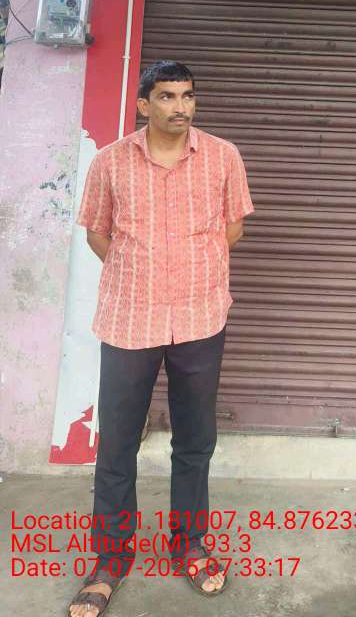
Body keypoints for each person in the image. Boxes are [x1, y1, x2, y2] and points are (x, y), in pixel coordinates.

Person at [66, 60, 254, 617]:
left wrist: (189, 270)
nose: (180, 107)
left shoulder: (223, 156)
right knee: (117, 443)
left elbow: (233, 228)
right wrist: (141, 272)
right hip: (131, 318)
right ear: (143, 104)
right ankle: (109, 560)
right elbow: (98, 232)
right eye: (168, 96)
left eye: (188, 96)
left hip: (199, 317)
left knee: (195, 440)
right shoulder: (110, 161)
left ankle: (190, 545)